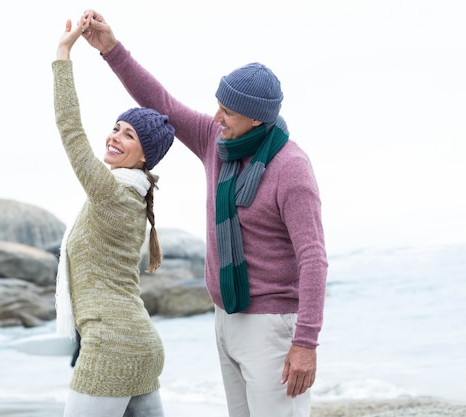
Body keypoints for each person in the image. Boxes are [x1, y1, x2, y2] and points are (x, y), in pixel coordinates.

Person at [79, 10, 328, 417]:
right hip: (226, 316)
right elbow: (162, 104)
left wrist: (306, 343)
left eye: (227, 112)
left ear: (257, 119)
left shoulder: (291, 169)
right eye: (218, 106)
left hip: (272, 326)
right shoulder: (217, 142)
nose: (216, 117)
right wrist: (110, 49)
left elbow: (313, 257)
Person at [53, 18, 175, 417]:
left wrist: (63, 55)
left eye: (128, 136)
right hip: (140, 346)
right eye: (116, 128)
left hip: (111, 348)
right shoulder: (134, 196)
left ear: (144, 156)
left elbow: (70, 130)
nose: (114, 137)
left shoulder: (112, 193)